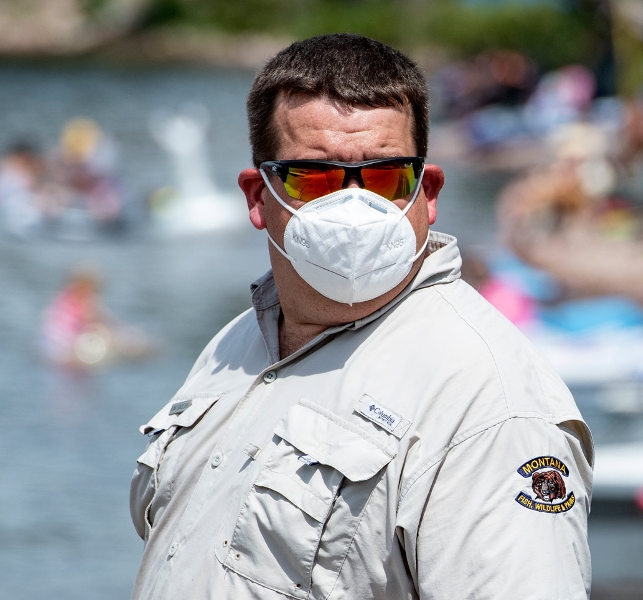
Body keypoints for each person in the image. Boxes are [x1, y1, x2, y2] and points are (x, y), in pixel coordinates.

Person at [128, 34, 593, 599]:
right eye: (315, 178)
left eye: (384, 177)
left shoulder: (488, 401)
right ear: (258, 196)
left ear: (428, 192)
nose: (352, 203)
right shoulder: (236, 343)